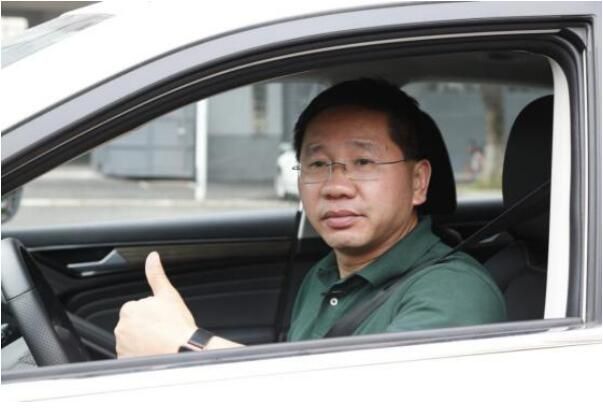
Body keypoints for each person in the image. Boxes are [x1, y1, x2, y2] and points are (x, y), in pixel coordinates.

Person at [114, 78, 506, 357]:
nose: (336, 186)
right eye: (317, 164)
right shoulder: (325, 273)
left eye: (363, 162)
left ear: (418, 182)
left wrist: (188, 346)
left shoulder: (455, 294)